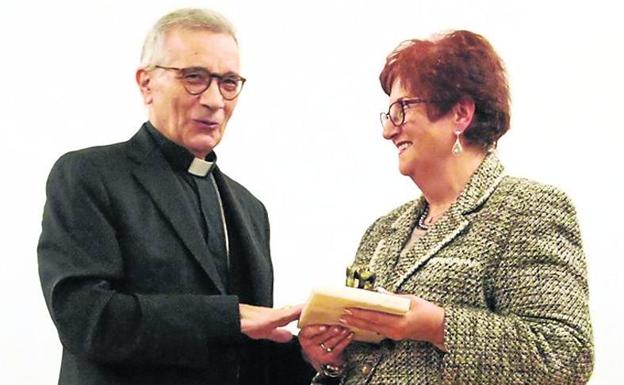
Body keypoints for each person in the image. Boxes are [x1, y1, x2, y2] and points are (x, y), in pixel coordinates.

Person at [299, 30, 594, 384]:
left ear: (460, 114)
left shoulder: (529, 209)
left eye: (402, 109)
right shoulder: (381, 231)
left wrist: (439, 326)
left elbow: (564, 357)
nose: (388, 131)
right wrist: (329, 359)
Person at [38, 8, 313, 385]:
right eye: (195, 78)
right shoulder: (90, 175)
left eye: (229, 82)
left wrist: (313, 356)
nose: (215, 100)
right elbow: (87, 319)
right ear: (146, 83)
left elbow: (246, 356)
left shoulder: (250, 209)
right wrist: (230, 317)